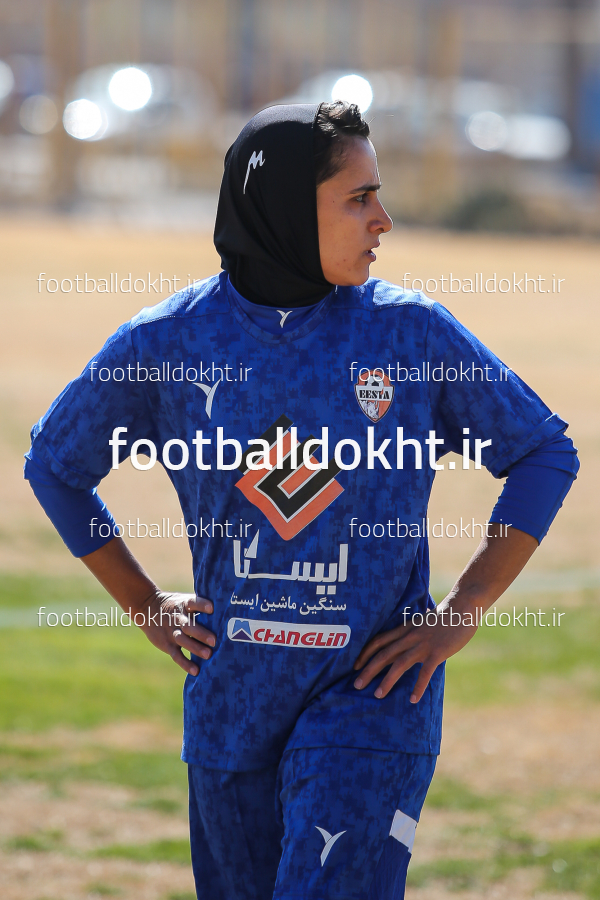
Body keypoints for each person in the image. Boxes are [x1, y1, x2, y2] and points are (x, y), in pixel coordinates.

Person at [25, 101, 579, 900]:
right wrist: (146, 605)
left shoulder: (411, 333)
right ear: (282, 206)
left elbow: (542, 453)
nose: (383, 220)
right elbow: (56, 466)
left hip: (374, 703)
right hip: (230, 711)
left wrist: (463, 610)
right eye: (358, 198)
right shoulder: (167, 342)